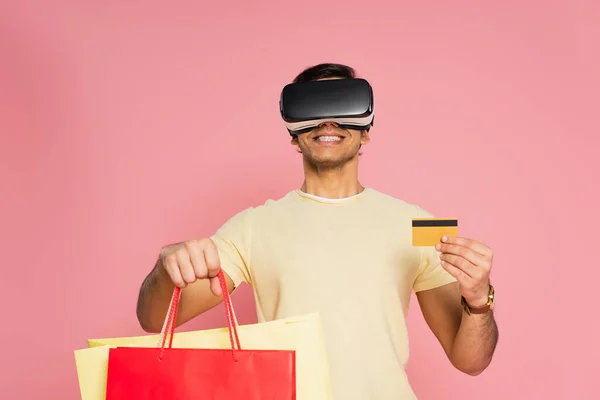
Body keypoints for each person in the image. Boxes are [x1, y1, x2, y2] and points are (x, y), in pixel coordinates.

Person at [135, 63, 499, 399]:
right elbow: (152, 320)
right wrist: (166, 267)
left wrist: (480, 303)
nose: (327, 121)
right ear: (294, 135)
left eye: (342, 105)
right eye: (312, 110)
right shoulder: (251, 226)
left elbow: (470, 361)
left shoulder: (422, 223)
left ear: (366, 131)